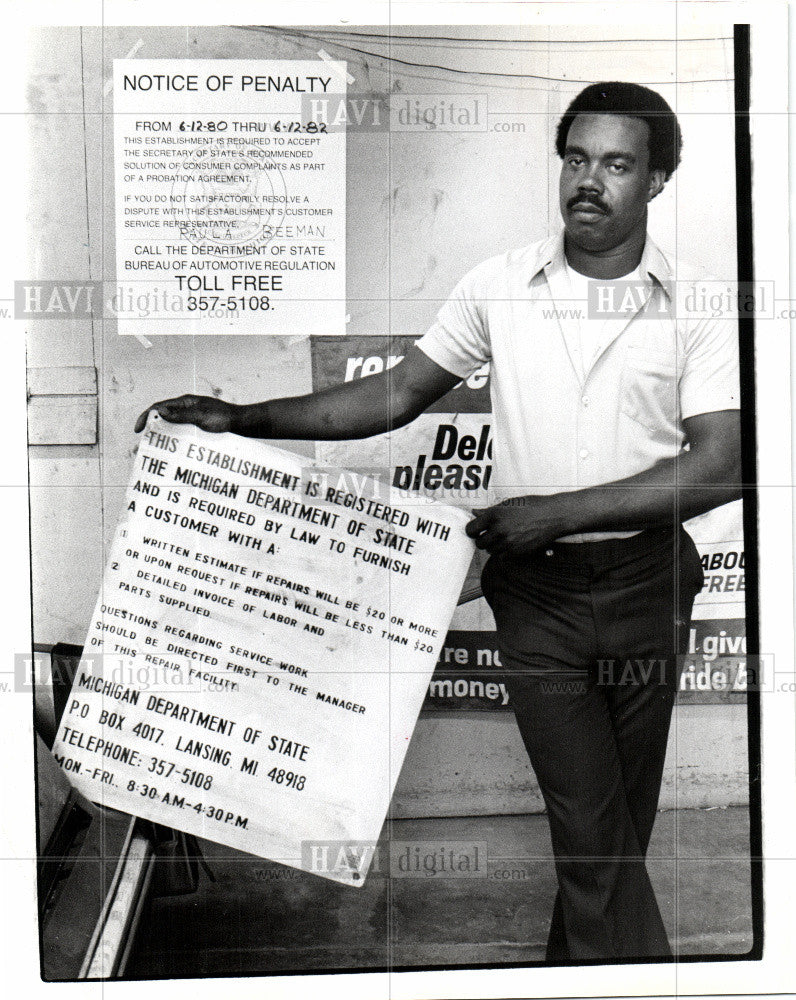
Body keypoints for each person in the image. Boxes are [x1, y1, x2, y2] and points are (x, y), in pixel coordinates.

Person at [135, 82, 741, 961]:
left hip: (650, 581)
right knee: (591, 820)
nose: (589, 181)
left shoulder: (698, 303)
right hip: (540, 599)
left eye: (617, 164)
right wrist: (245, 417)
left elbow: (720, 464)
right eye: (577, 158)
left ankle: (569, 972)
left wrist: (551, 513)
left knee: (615, 827)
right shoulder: (499, 285)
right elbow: (391, 396)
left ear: (656, 182)